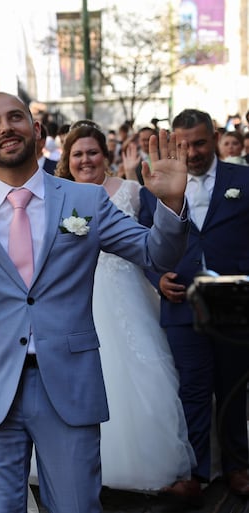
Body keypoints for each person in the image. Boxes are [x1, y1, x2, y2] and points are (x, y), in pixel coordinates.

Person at [0, 92, 188, 513]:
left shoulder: (86, 201)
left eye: (16, 117)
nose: (5, 127)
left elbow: (156, 255)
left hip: (69, 385)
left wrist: (171, 205)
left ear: (37, 130)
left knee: (76, 507)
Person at [54, 122, 195, 491]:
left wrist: (170, 201)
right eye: (78, 154)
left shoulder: (130, 190)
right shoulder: (55, 196)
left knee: (138, 372)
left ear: (106, 155)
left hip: (124, 293)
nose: (86, 160)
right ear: (67, 160)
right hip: (76, 298)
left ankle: (142, 465)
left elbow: (155, 243)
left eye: (92, 152)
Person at [139, 108, 249, 506]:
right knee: (193, 389)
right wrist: (157, 278)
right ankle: (196, 472)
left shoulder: (243, 180)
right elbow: (143, 242)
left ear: (215, 136)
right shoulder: (157, 183)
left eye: (199, 143)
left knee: (234, 385)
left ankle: (238, 466)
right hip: (181, 301)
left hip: (234, 301)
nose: (191, 151)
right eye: (183, 144)